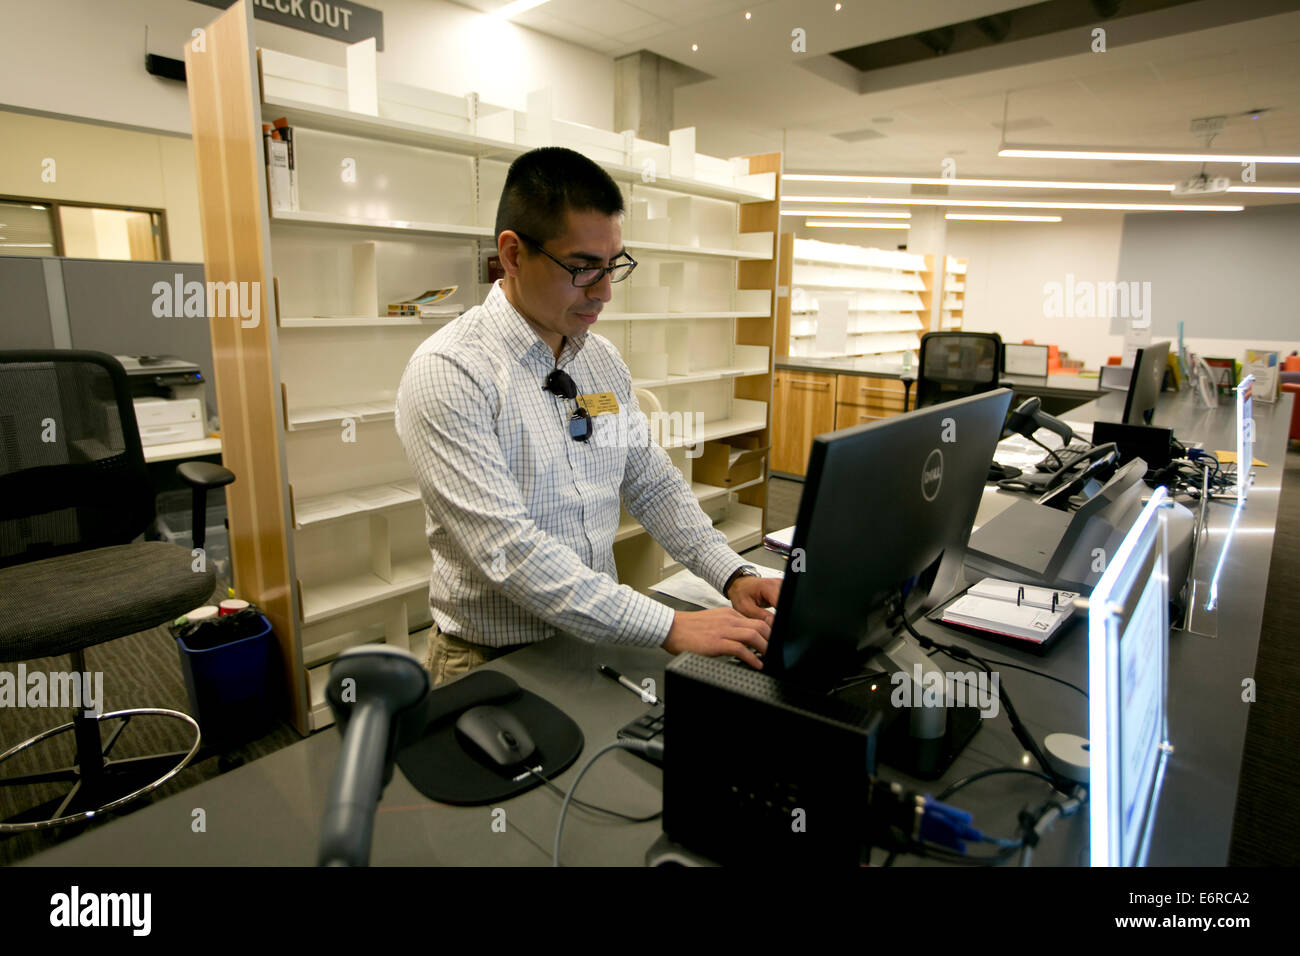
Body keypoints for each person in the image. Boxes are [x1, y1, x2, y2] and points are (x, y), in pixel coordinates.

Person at [395, 146, 779, 686]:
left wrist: (732, 572)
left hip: (596, 641)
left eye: (613, 266)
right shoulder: (451, 372)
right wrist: (669, 625)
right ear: (512, 254)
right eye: (581, 268)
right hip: (492, 662)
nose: (603, 293)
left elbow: (650, 482)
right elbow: (510, 552)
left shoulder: (599, 360)